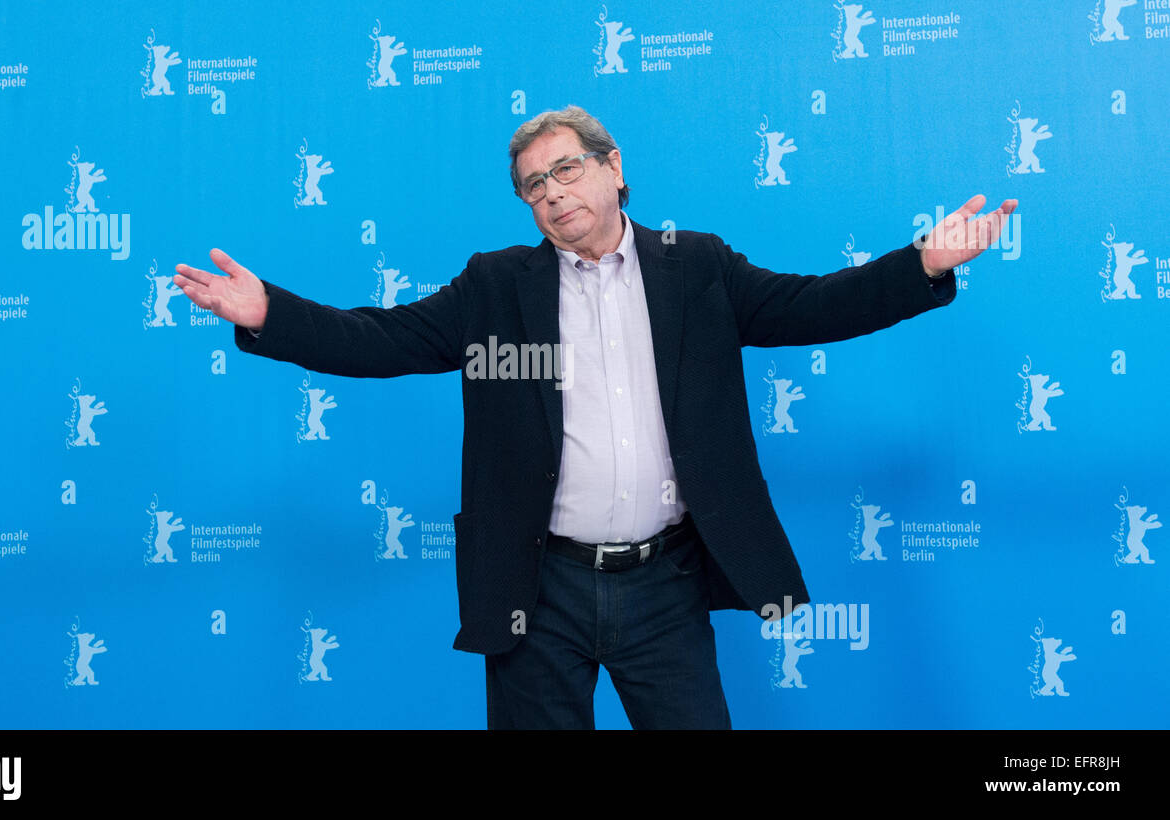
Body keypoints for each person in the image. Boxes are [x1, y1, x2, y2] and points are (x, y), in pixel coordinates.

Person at [174, 105, 1016, 729]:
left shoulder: (699, 268)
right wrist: (267, 314)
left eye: (567, 169)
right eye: (533, 185)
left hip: (666, 583)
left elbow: (813, 307)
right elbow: (380, 339)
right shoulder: (496, 285)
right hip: (537, 590)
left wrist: (921, 266)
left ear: (614, 168)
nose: (552, 192)